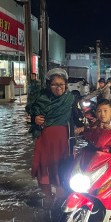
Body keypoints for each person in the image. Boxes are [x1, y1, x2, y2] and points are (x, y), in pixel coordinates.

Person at [25, 68, 87, 207]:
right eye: (54, 84)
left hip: (64, 142)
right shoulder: (40, 99)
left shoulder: (71, 100)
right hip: (45, 141)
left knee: (63, 170)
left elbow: (82, 120)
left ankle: (62, 200)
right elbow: (29, 117)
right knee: (44, 169)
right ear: (48, 85)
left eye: (61, 84)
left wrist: (82, 128)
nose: (58, 87)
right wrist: (34, 120)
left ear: (66, 86)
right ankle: (48, 197)